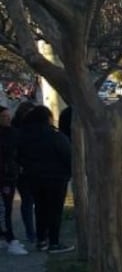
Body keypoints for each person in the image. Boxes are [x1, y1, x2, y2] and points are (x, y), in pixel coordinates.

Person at [17, 105, 73, 254]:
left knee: (40, 209)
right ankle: (54, 242)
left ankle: (41, 240)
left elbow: (18, 157)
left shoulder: (24, 136)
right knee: (55, 211)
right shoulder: (55, 136)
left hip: (34, 178)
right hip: (56, 178)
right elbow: (68, 156)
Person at [0, 107, 27, 255]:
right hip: (4, 177)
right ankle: (10, 239)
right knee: (5, 209)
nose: (7, 119)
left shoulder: (13, 133)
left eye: (8, 116)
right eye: (4, 116)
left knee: (6, 208)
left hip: (10, 175)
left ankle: (5, 237)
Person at [11, 101, 36, 248]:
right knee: (28, 201)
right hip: (23, 170)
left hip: (30, 169)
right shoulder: (17, 130)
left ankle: (33, 232)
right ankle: (31, 233)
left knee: (30, 201)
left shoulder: (27, 128)